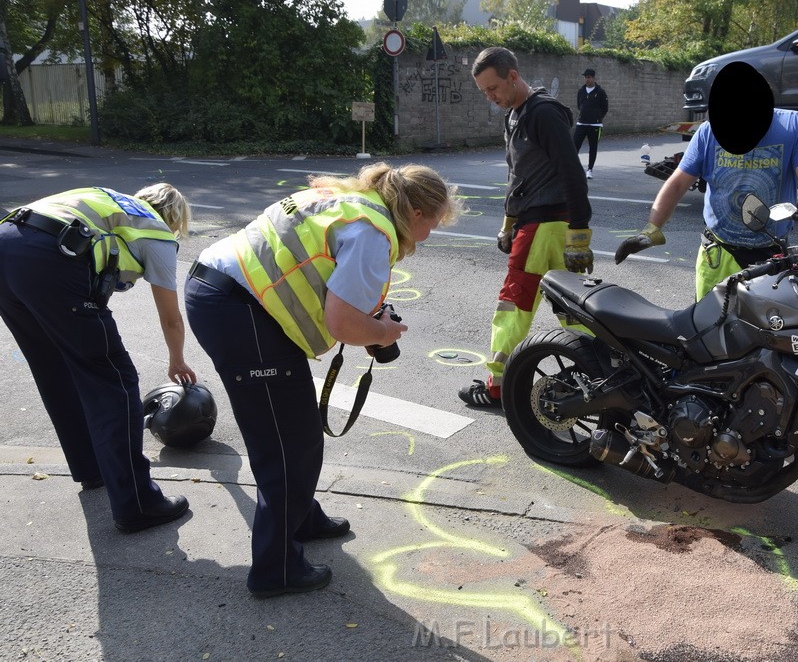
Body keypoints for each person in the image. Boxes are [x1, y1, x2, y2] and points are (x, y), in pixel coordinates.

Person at [184, 162, 462, 598]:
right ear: (419, 215)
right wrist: (383, 333)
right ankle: (275, 571)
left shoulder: (349, 200)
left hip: (228, 295)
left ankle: (303, 519)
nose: (431, 234)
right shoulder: (374, 231)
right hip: (240, 312)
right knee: (288, 445)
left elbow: (317, 273)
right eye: (437, 223)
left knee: (296, 432)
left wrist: (368, 318)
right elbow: (341, 322)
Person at [0, 185, 195, 532]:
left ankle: (92, 469)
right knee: (113, 379)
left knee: (56, 369)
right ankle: (137, 503)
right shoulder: (155, 230)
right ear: (175, 217)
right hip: (50, 259)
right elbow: (170, 317)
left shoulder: (109, 203)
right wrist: (177, 361)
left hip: (7, 246)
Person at [615, 61, 798, 299]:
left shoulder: (795, 126)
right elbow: (678, 183)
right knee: (710, 331)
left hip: (771, 258)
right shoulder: (708, 133)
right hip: (718, 254)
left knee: (767, 333)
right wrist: (651, 230)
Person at [460, 46, 594, 408]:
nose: (491, 97)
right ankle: (600, 379)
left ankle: (497, 387)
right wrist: (508, 224)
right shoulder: (515, 115)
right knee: (573, 308)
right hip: (541, 225)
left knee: (512, 306)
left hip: (543, 228)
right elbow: (518, 177)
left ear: (513, 77)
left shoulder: (542, 113)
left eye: (494, 88)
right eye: (484, 92)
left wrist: (579, 235)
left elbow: (572, 173)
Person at [574, 68, 609, 179]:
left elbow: (605, 108)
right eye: (585, 77)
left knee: (593, 147)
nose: (587, 79)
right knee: (574, 147)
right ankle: (573, 169)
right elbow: (579, 105)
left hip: (595, 125)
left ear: (594, 78)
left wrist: (597, 117)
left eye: (589, 77)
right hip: (581, 123)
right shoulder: (581, 91)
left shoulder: (600, 92)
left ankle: (589, 170)